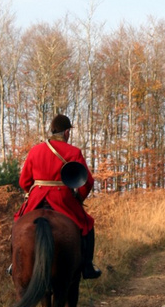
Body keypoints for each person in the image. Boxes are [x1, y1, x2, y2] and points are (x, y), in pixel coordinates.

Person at [15, 114, 102, 279]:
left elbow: (24, 181)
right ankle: (87, 266)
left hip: (36, 198)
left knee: (18, 223)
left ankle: (15, 264)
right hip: (63, 200)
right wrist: (78, 199)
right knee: (87, 224)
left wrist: (32, 192)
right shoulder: (74, 152)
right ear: (67, 132)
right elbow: (87, 182)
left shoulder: (35, 150)